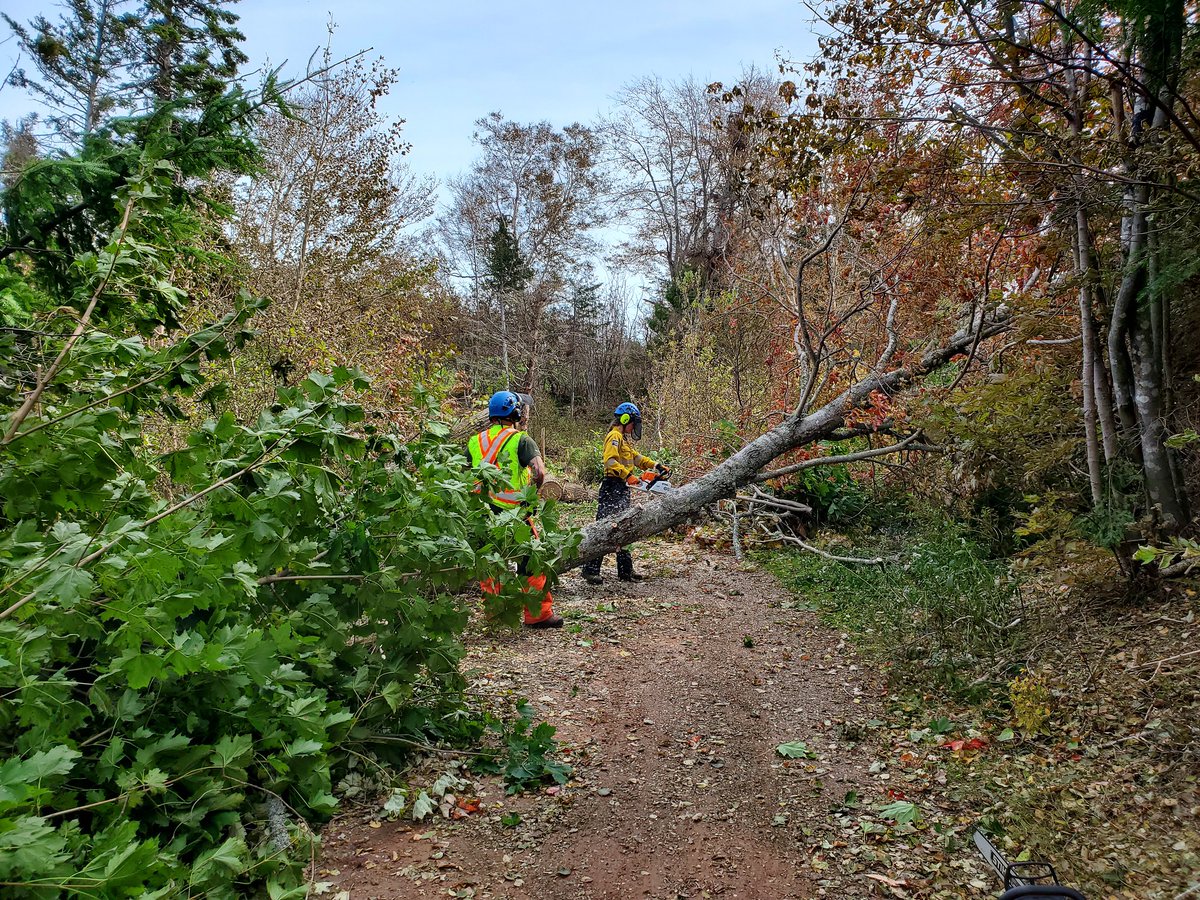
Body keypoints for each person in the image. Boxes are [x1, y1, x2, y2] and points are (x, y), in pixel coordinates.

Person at [468, 390, 562, 629]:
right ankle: (537, 614)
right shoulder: (521, 439)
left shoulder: (474, 441)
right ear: (515, 412)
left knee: (490, 564)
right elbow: (539, 472)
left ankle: (496, 616)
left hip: (484, 514)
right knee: (533, 561)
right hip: (515, 513)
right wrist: (532, 495)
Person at [581, 402, 668, 586]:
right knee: (606, 527)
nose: (633, 427)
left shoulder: (623, 439)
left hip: (621, 487)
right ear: (625, 419)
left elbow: (636, 458)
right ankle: (590, 569)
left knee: (624, 526)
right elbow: (610, 461)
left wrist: (655, 466)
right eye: (632, 422)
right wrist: (628, 476)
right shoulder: (614, 436)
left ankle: (625, 570)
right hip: (612, 486)